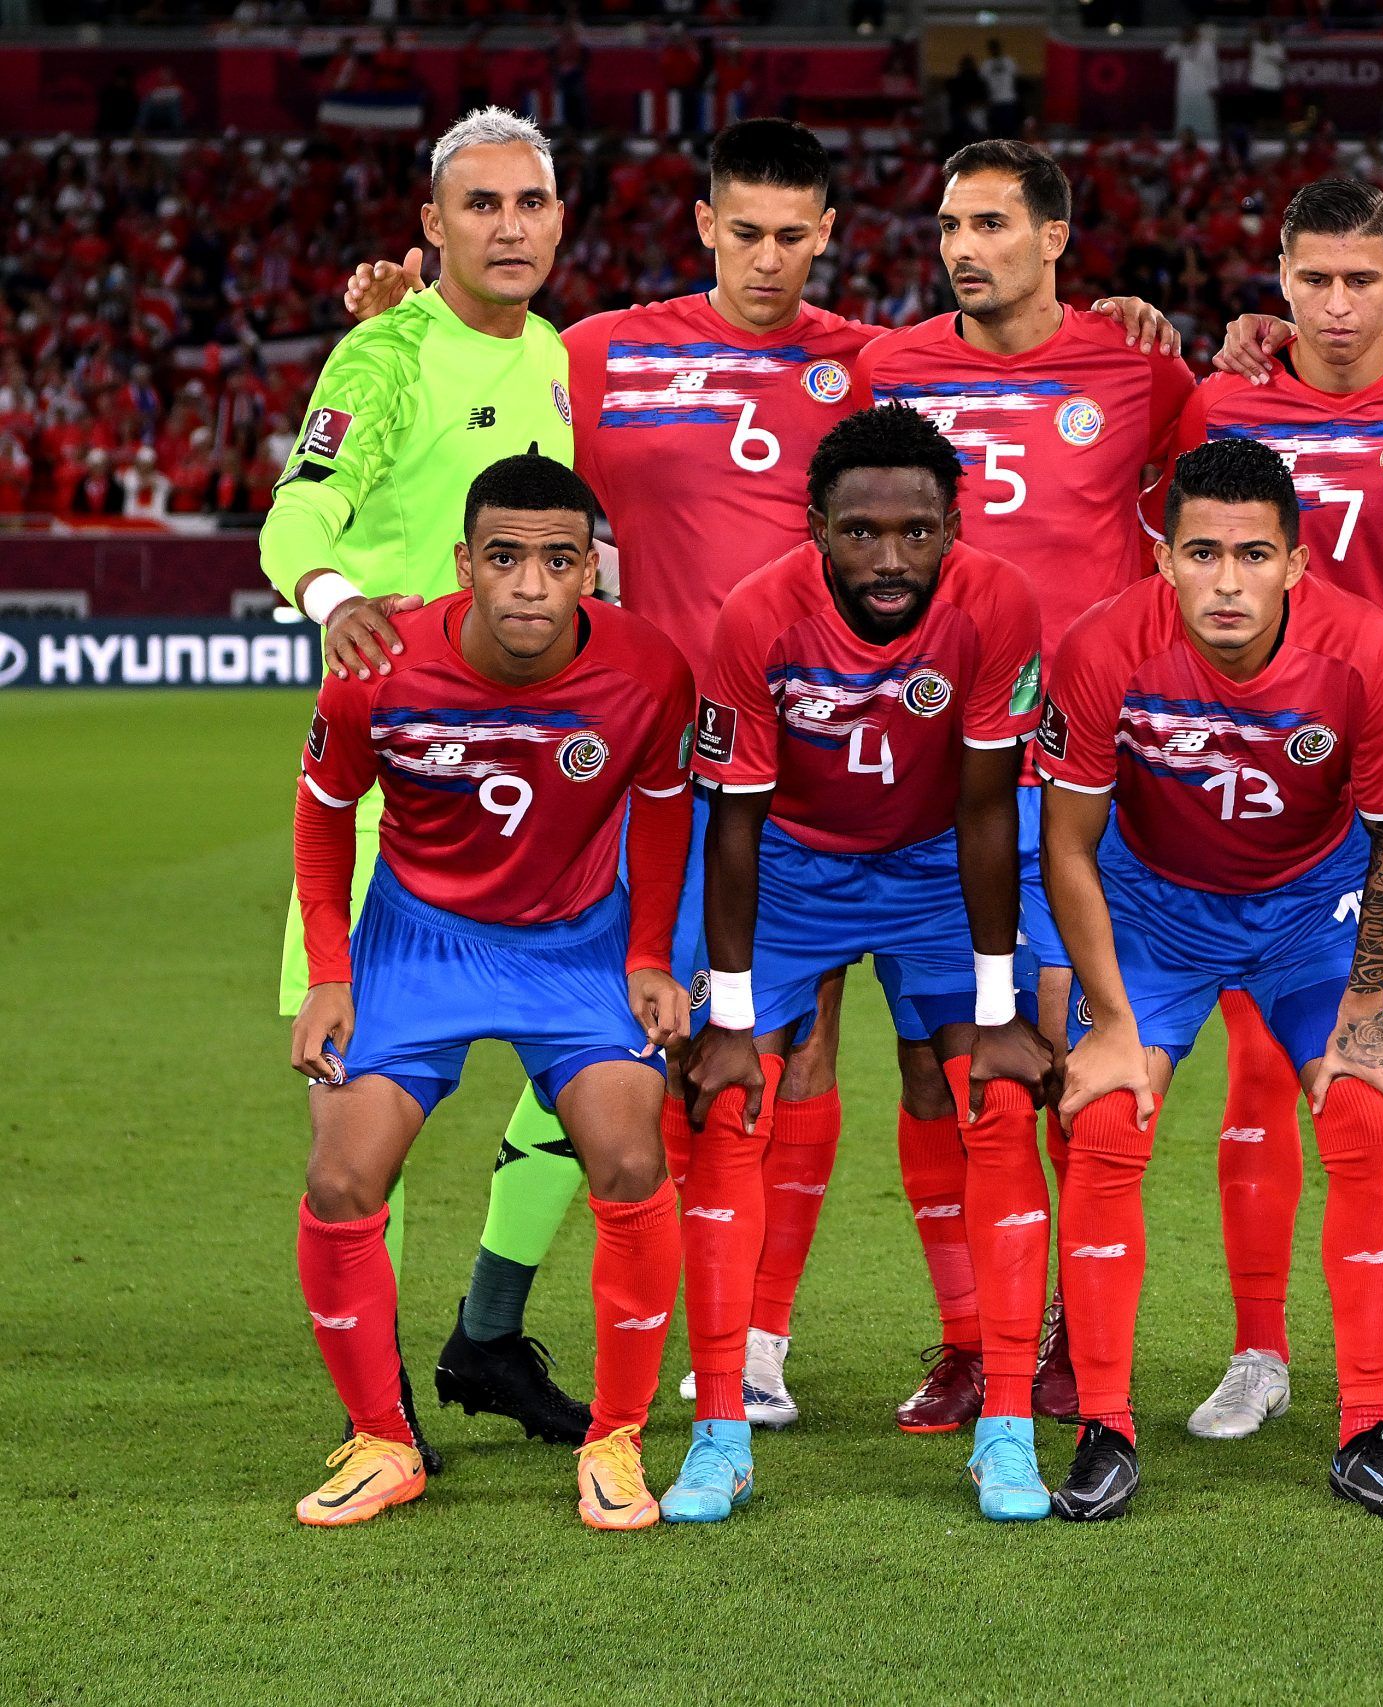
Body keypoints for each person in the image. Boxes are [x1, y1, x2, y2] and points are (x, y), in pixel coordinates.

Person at [341, 122, 1178, 1436]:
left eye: (797, 235)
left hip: (878, 762)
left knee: (898, 1058)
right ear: (703, 225)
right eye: (747, 232)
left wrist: (1135, 320)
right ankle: (632, 1337)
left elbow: (1014, 365)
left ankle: (898, 1342)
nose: (771, 258)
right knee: (661, 1054)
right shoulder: (598, 352)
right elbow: (482, 391)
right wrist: (410, 322)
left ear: (831, 235)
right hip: (639, 764)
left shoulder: (866, 361)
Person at [850, 139, 1197, 1424]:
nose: (962, 246)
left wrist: (1255, 332)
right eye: (949, 223)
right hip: (928, 760)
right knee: (941, 1066)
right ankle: (973, 1336)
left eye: (991, 222)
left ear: (1055, 237)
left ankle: (1056, 1335)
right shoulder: (887, 369)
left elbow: (1234, 468)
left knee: (1064, 1057)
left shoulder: (1138, 368)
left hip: (1079, 772)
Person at [262, 108, 584, 1465]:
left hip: (545, 785)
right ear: (434, 223)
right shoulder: (383, 351)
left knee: (601, 1070)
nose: (509, 225)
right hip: (399, 780)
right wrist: (333, 598)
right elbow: (295, 507)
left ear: (559, 220)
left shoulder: (563, 354)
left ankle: (488, 1331)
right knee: (362, 1102)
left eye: (530, 203)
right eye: (482, 204)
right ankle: (373, 1398)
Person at [287, 455, 691, 1531]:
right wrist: (330, 971)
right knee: (340, 1180)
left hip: (576, 945)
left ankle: (614, 1440)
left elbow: (659, 814)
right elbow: (325, 813)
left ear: (590, 571)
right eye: (504, 558)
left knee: (631, 1157)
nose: (528, 585)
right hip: (416, 945)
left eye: (557, 561)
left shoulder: (650, 670)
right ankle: (382, 1439)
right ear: (465, 564)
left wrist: (649, 954)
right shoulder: (377, 664)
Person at [1039, 439, 1383, 1522]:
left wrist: (1362, 1012)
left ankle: (1365, 1428)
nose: (1226, 580)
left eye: (1253, 555)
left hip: (1310, 916)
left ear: (1296, 565)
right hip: (1154, 913)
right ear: (1161, 555)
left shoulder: (1360, 651)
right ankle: (1104, 1428)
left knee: (1361, 1112)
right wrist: (1113, 1019)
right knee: (1108, 1117)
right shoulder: (1100, 647)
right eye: (1202, 552)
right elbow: (1066, 846)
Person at [1167, 179, 1383, 1437]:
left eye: (1361, 278)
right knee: (1264, 1075)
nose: (1335, 302)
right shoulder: (1220, 400)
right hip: (1261, 795)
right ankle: (1258, 1348)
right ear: (1278, 279)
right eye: (1311, 278)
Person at [680, 406, 1054, 1523]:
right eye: (860, 534)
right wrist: (735, 1016)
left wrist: (997, 1008)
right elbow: (732, 825)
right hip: (790, 866)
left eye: (917, 532)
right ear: (815, 529)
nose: (890, 559)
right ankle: (718, 1433)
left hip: (938, 861)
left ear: (954, 525)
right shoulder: (755, 614)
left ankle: (1008, 1431)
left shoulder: (998, 602)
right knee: (726, 1102)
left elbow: (990, 812)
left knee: (994, 1099)